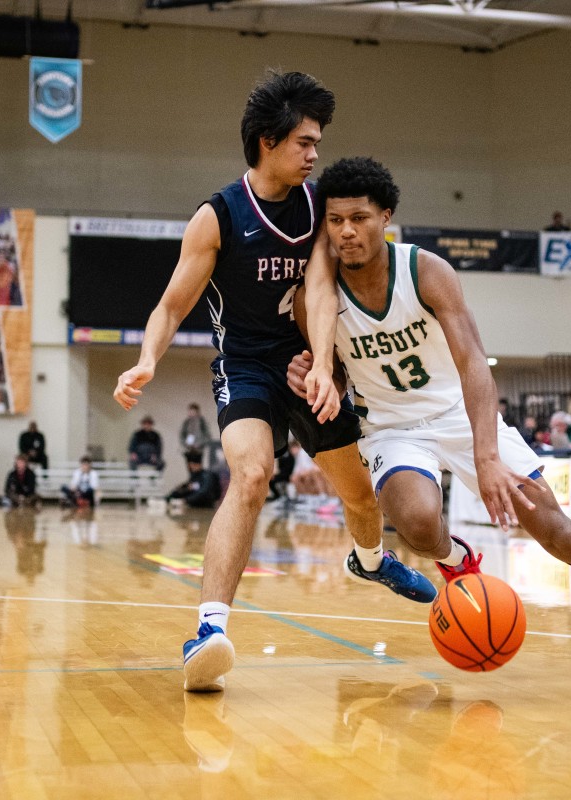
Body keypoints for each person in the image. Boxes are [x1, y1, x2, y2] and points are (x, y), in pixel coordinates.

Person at [292, 156, 571, 674]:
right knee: (418, 524)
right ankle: (454, 560)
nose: (347, 231)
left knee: (558, 532)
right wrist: (313, 373)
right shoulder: (315, 302)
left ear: (386, 217)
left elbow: (474, 365)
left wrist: (486, 457)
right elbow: (339, 375)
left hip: (459, 415)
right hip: (392, 428)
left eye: (360, 218)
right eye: (335, 221)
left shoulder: (425, 271)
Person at [112, 72, 434, 692]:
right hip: (246, 366)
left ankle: (370, 561)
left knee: (361, 496)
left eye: (318, 143)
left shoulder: (321, 208)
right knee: (252, 473)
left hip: (305, 361)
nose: (315, 154)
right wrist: (149, 359)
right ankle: (208, 630)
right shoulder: (218, 216)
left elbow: (318, 286)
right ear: (267, 141)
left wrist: (320, 361)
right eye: (304, 143)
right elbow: (171, 304)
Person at [179, 402, 213, 468]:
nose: (191, 414)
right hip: (188, 449)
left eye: (193, 412)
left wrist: (200, 444)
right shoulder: (186, 422)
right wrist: (185, 444)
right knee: (190, 467)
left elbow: (208, 435)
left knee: (198, 468)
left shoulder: (202, 421)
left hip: (198, 450)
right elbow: (182, 435)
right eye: (190, 412)